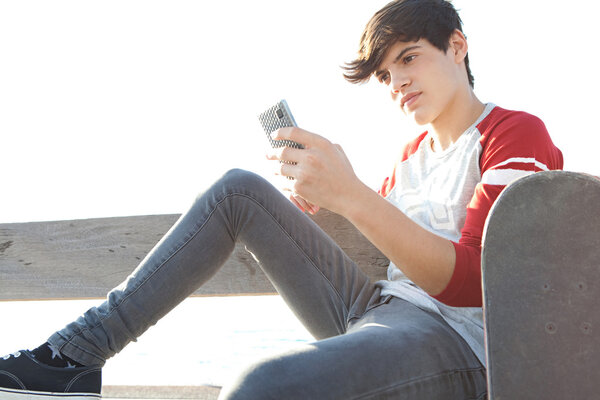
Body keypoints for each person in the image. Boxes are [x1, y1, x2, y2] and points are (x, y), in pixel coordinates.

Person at [0, 0, 563, 399]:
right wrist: (323, 202)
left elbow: (472, 284)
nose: (398, 84)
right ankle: (76, 353)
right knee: (240, 190)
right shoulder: (412, 153)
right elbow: (387, 238)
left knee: (257, 385)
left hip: (457, 342)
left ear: (457, 47)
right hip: (376, 311)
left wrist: (352, 194)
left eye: (409, 59)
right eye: (386, 76)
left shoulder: (515, 134)